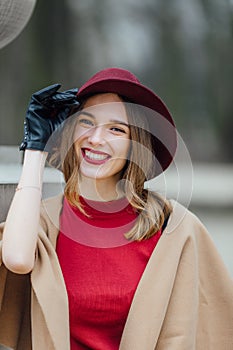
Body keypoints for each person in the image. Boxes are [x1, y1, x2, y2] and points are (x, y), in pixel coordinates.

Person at [0, 67, 232, 350]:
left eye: (116, 129)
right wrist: (36, 148)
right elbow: (17, 259)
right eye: (86, 122)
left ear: (136, 145)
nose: (96, 138)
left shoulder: (176, 229)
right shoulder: (45, 221)